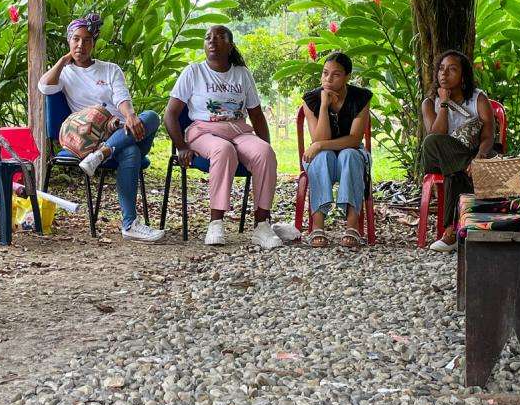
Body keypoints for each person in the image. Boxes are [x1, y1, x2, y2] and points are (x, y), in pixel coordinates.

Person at [38, 13, 164, 242]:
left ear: (94, 43)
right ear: (69, 41)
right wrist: (64, 60)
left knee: (152, 116)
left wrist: (131, 117)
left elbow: (121, 97)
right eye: (76, 39)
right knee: (131, 151)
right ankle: (129, 224)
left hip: (120, 128)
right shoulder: (65, 73)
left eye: (87, 40)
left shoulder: (110, 69)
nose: (81, 45)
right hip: (90, 136)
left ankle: (102, 154)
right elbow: (44, 87)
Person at [165, 25, 287, 248]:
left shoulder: (241, 74)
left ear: (230, 45)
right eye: (208, 38)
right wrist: (181, 146)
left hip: (239, 130)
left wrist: (263, 146)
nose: (212, 41)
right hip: (203, 131)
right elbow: (170, 115)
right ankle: (216, 222)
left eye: (220, 37)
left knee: (265, 153)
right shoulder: (194, 72)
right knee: (224, 149)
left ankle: (262, 225)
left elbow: (257, 115)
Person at [421, 50, 495, 252]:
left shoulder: (478, 99)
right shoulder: (429, 103)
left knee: (454, 172)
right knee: (432, 142)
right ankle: (458, 227)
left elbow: (489, 136)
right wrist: (444, 103)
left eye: (452, 69)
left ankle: (451, 231)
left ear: (463, 76)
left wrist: (478, 158)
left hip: (471, 157)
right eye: (441, 69)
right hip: (438, 157)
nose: (444, 74)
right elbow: (436, 134)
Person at [300, 51, 373, 248]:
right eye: (325, 73)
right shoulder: (311, 99)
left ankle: (352, 226)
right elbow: (319, 137)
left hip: (351, 157)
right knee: (322, 157)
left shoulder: (361, 97)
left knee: (349, 155)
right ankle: (318, 226)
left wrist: (320, 145)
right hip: (323, 159)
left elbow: (354, 139)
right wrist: (324, 107)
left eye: (336, 74)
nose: (328, 79)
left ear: (347, 77)